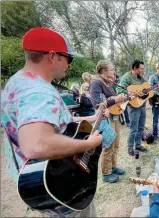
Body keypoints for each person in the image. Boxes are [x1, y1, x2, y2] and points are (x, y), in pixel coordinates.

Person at [0, 27, 108, 217]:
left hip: (38, 179)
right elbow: (37, 144)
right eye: (68, 58)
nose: (69, 64)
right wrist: (88, 143)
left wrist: (90, 118)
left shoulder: (16, 83)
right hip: (60, 180)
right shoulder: (39, 91)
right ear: (52, 56)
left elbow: (50, 121)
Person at [89, 60, 127, 183]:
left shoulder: (108, 83)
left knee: (115, 144)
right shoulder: (96, 83)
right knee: (109, 145)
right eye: (111, 69)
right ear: (103, 71)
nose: (113, 71)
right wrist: (116, 99)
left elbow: (112, 100)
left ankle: (113, 167)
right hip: (105, 118)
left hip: (114, 116)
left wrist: (120, 101)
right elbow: (97, 104)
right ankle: (106, 173)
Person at [118, 59, 149, 156]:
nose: (142, 70)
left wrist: (154, 89)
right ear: (135, 68)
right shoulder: (127, 77)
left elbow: (146, 87)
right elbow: (119, 89)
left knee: (141, 127)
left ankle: (138, 145)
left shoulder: (141, 78)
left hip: (142, 105)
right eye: (141, 68)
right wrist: (130, 93)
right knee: (133, 128)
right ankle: (130, 147)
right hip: (134, 106)